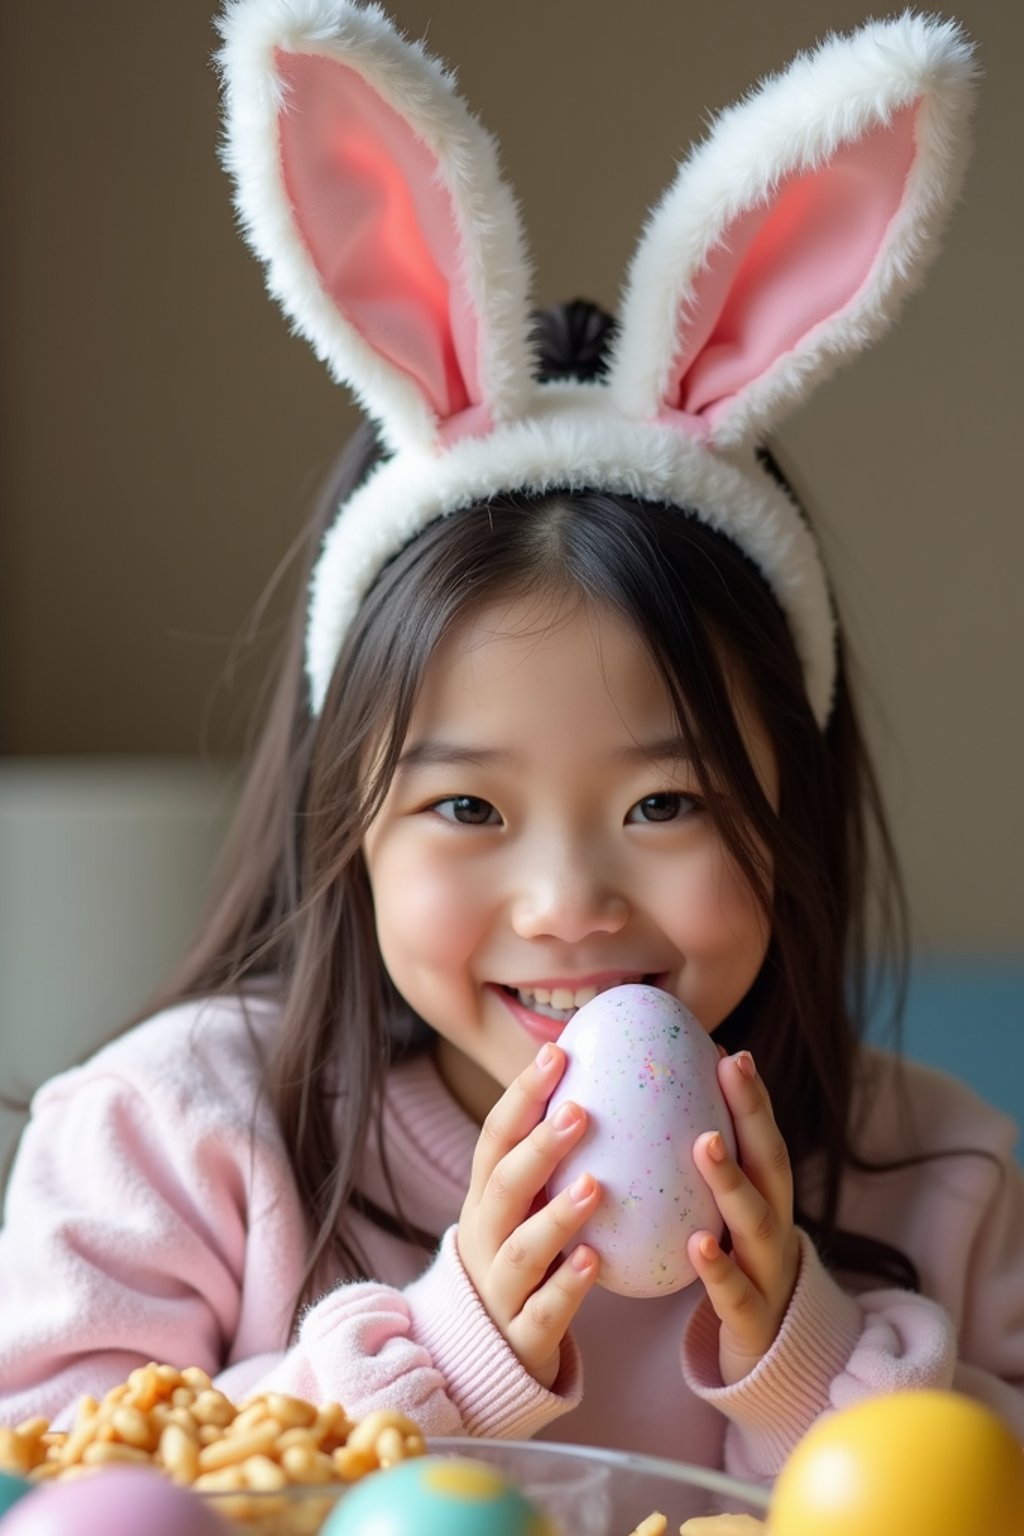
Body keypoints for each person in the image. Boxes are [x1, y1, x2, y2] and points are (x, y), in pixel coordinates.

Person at [1, 0, 1021, 1488]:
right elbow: (71, 1492)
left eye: (666, 800)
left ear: (790, 802)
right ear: (346, 813)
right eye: (469, 806)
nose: (569, 905)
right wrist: (452, 1350)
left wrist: (805, 1351)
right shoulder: (178, 1143)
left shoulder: (933, 1175)